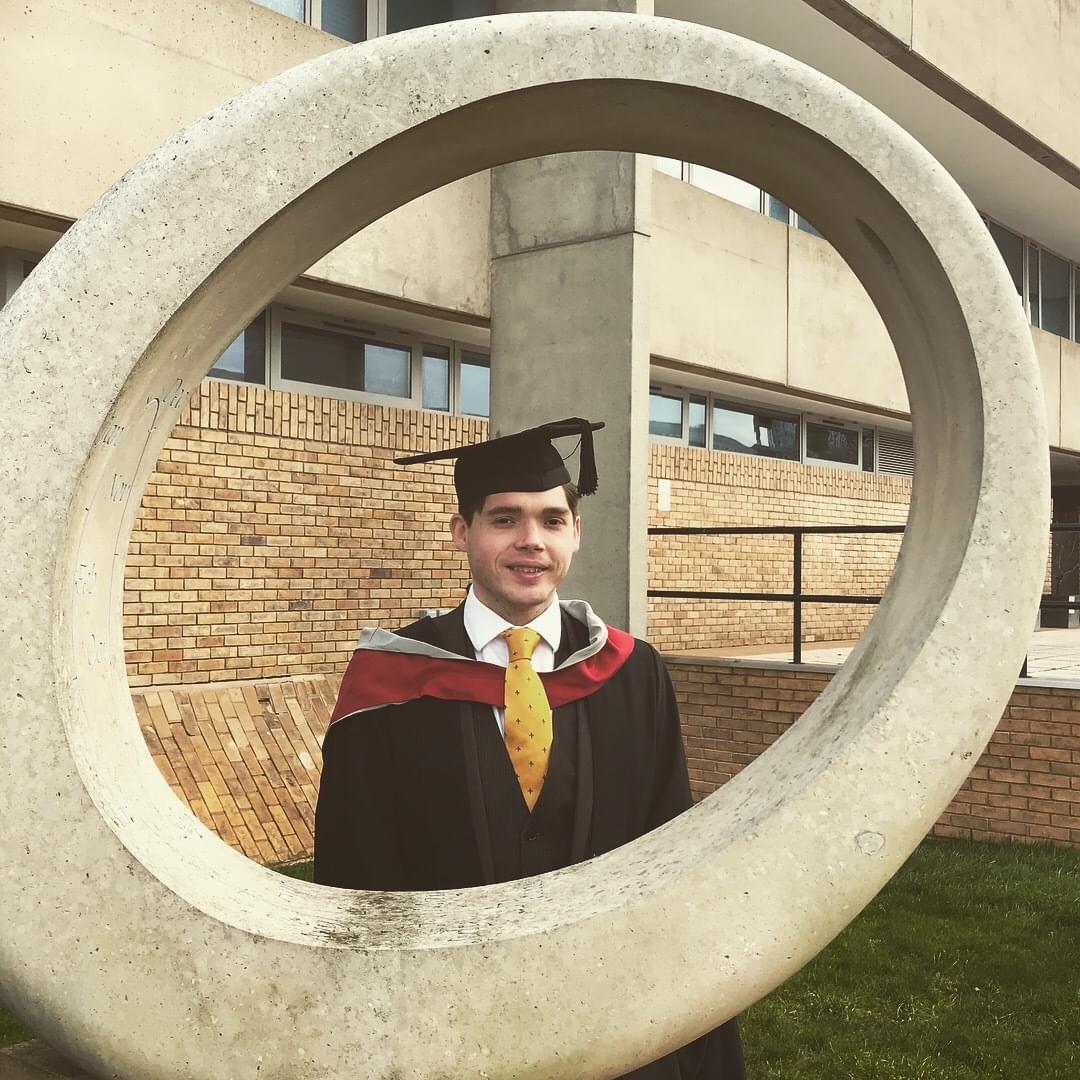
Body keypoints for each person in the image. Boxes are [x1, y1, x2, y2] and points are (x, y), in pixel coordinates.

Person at [314, 418, 746, 1079]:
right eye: (504, 519)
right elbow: (356, 877)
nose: (531, 541)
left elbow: (668, 849)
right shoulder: (389, 686)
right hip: (448, 1029)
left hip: (610, 1018)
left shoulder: (633, 673)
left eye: (551, 519)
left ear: (576, 532)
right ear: (461, 532)